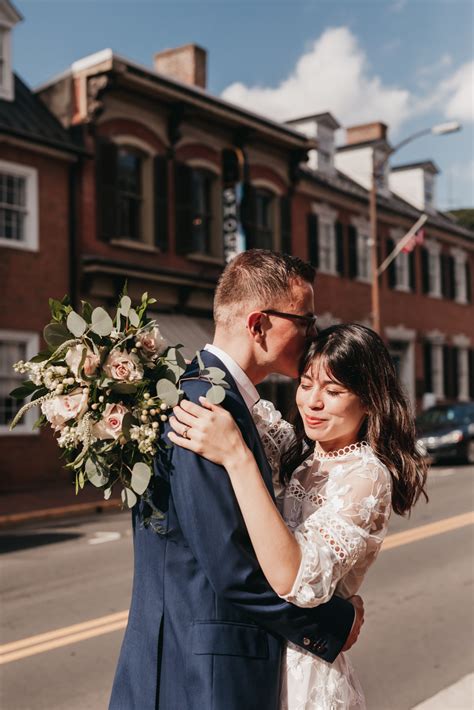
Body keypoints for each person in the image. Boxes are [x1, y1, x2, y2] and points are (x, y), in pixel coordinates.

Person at [109, 251, 363, 710]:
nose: (313, 336)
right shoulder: (206, 409)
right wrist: (332, 623)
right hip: (203, 676)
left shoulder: (219, 402)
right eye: (305, 321)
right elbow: (233, 567)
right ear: (258, 324)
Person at [168, 323, 429, 709]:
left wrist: (238, 459)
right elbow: (240, 395)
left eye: (334, 391)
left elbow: (295, 578)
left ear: (370, 400)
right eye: (307, 384)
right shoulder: (300, 452)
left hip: (305, 672)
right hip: (261, 657)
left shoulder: (366, 476)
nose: (312, 402)